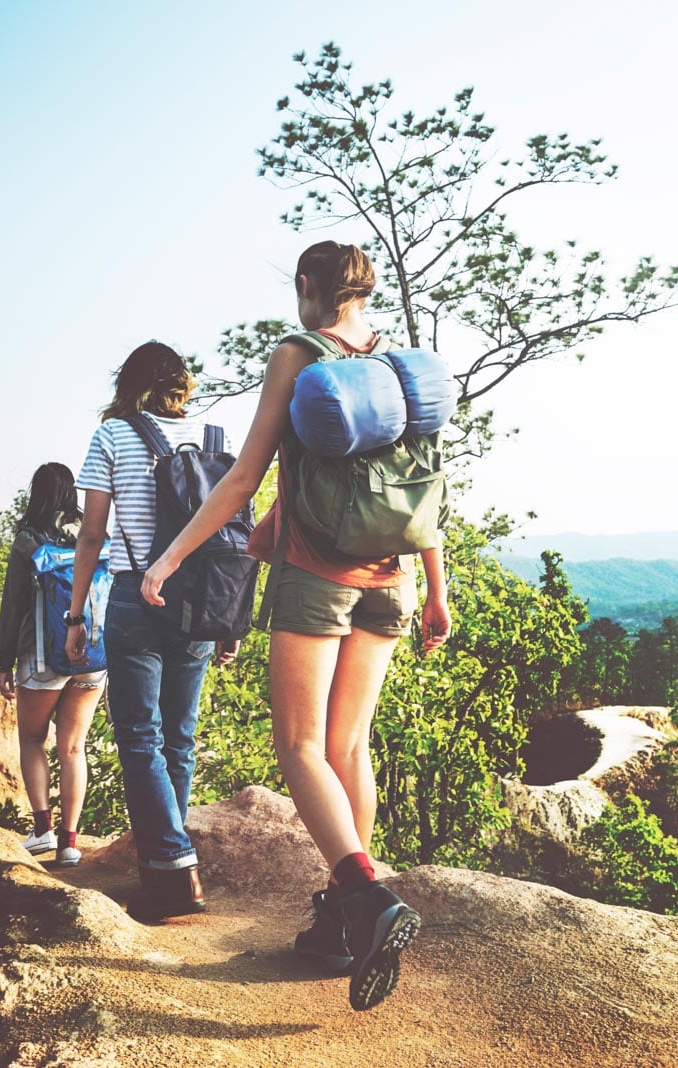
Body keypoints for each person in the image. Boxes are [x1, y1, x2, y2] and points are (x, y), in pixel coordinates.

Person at [140, 241, 450, 1011]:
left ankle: (368, 899)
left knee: (302, 747)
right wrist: (439, 593)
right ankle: (343, 924)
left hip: (320, 581)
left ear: (308, 287)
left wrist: (170, 558)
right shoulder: (401, 367)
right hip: (397, 576)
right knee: (351, 746)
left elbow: (244, 473)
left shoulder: (298, 355)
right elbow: (423, 487)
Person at [67, 341, 240, 922]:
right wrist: (229, 615)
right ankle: (169, 861)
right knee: (179, 738)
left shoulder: (114, 435)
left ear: (130, 383)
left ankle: (173, 868)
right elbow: (231, 529)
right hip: (201, 598)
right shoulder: (216, 435)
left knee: (141, 737)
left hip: (137, 597)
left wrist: (75, 614)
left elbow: (91, 534)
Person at [0, 463, 107, 868]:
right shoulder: (94, 532)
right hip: (92, 657)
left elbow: (14, 605)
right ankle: (70, 843)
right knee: (74, 746)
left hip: (42, 656)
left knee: (32, 740)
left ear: (37, 494)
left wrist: (3, 660)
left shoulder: (29, 539)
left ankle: (42, 830)